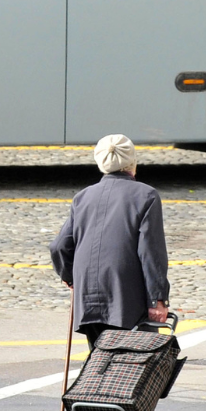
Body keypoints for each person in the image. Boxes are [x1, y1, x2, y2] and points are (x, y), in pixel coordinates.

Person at [50, 134, 170, 350]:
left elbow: (59, 246)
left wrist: (71, 279)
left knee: (100, 362)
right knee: (131, 365)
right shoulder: (146, 195)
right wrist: (158, 300)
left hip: (88, 296)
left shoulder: (83, 197)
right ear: (132, 161)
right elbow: (151, 253)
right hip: (126, 298)